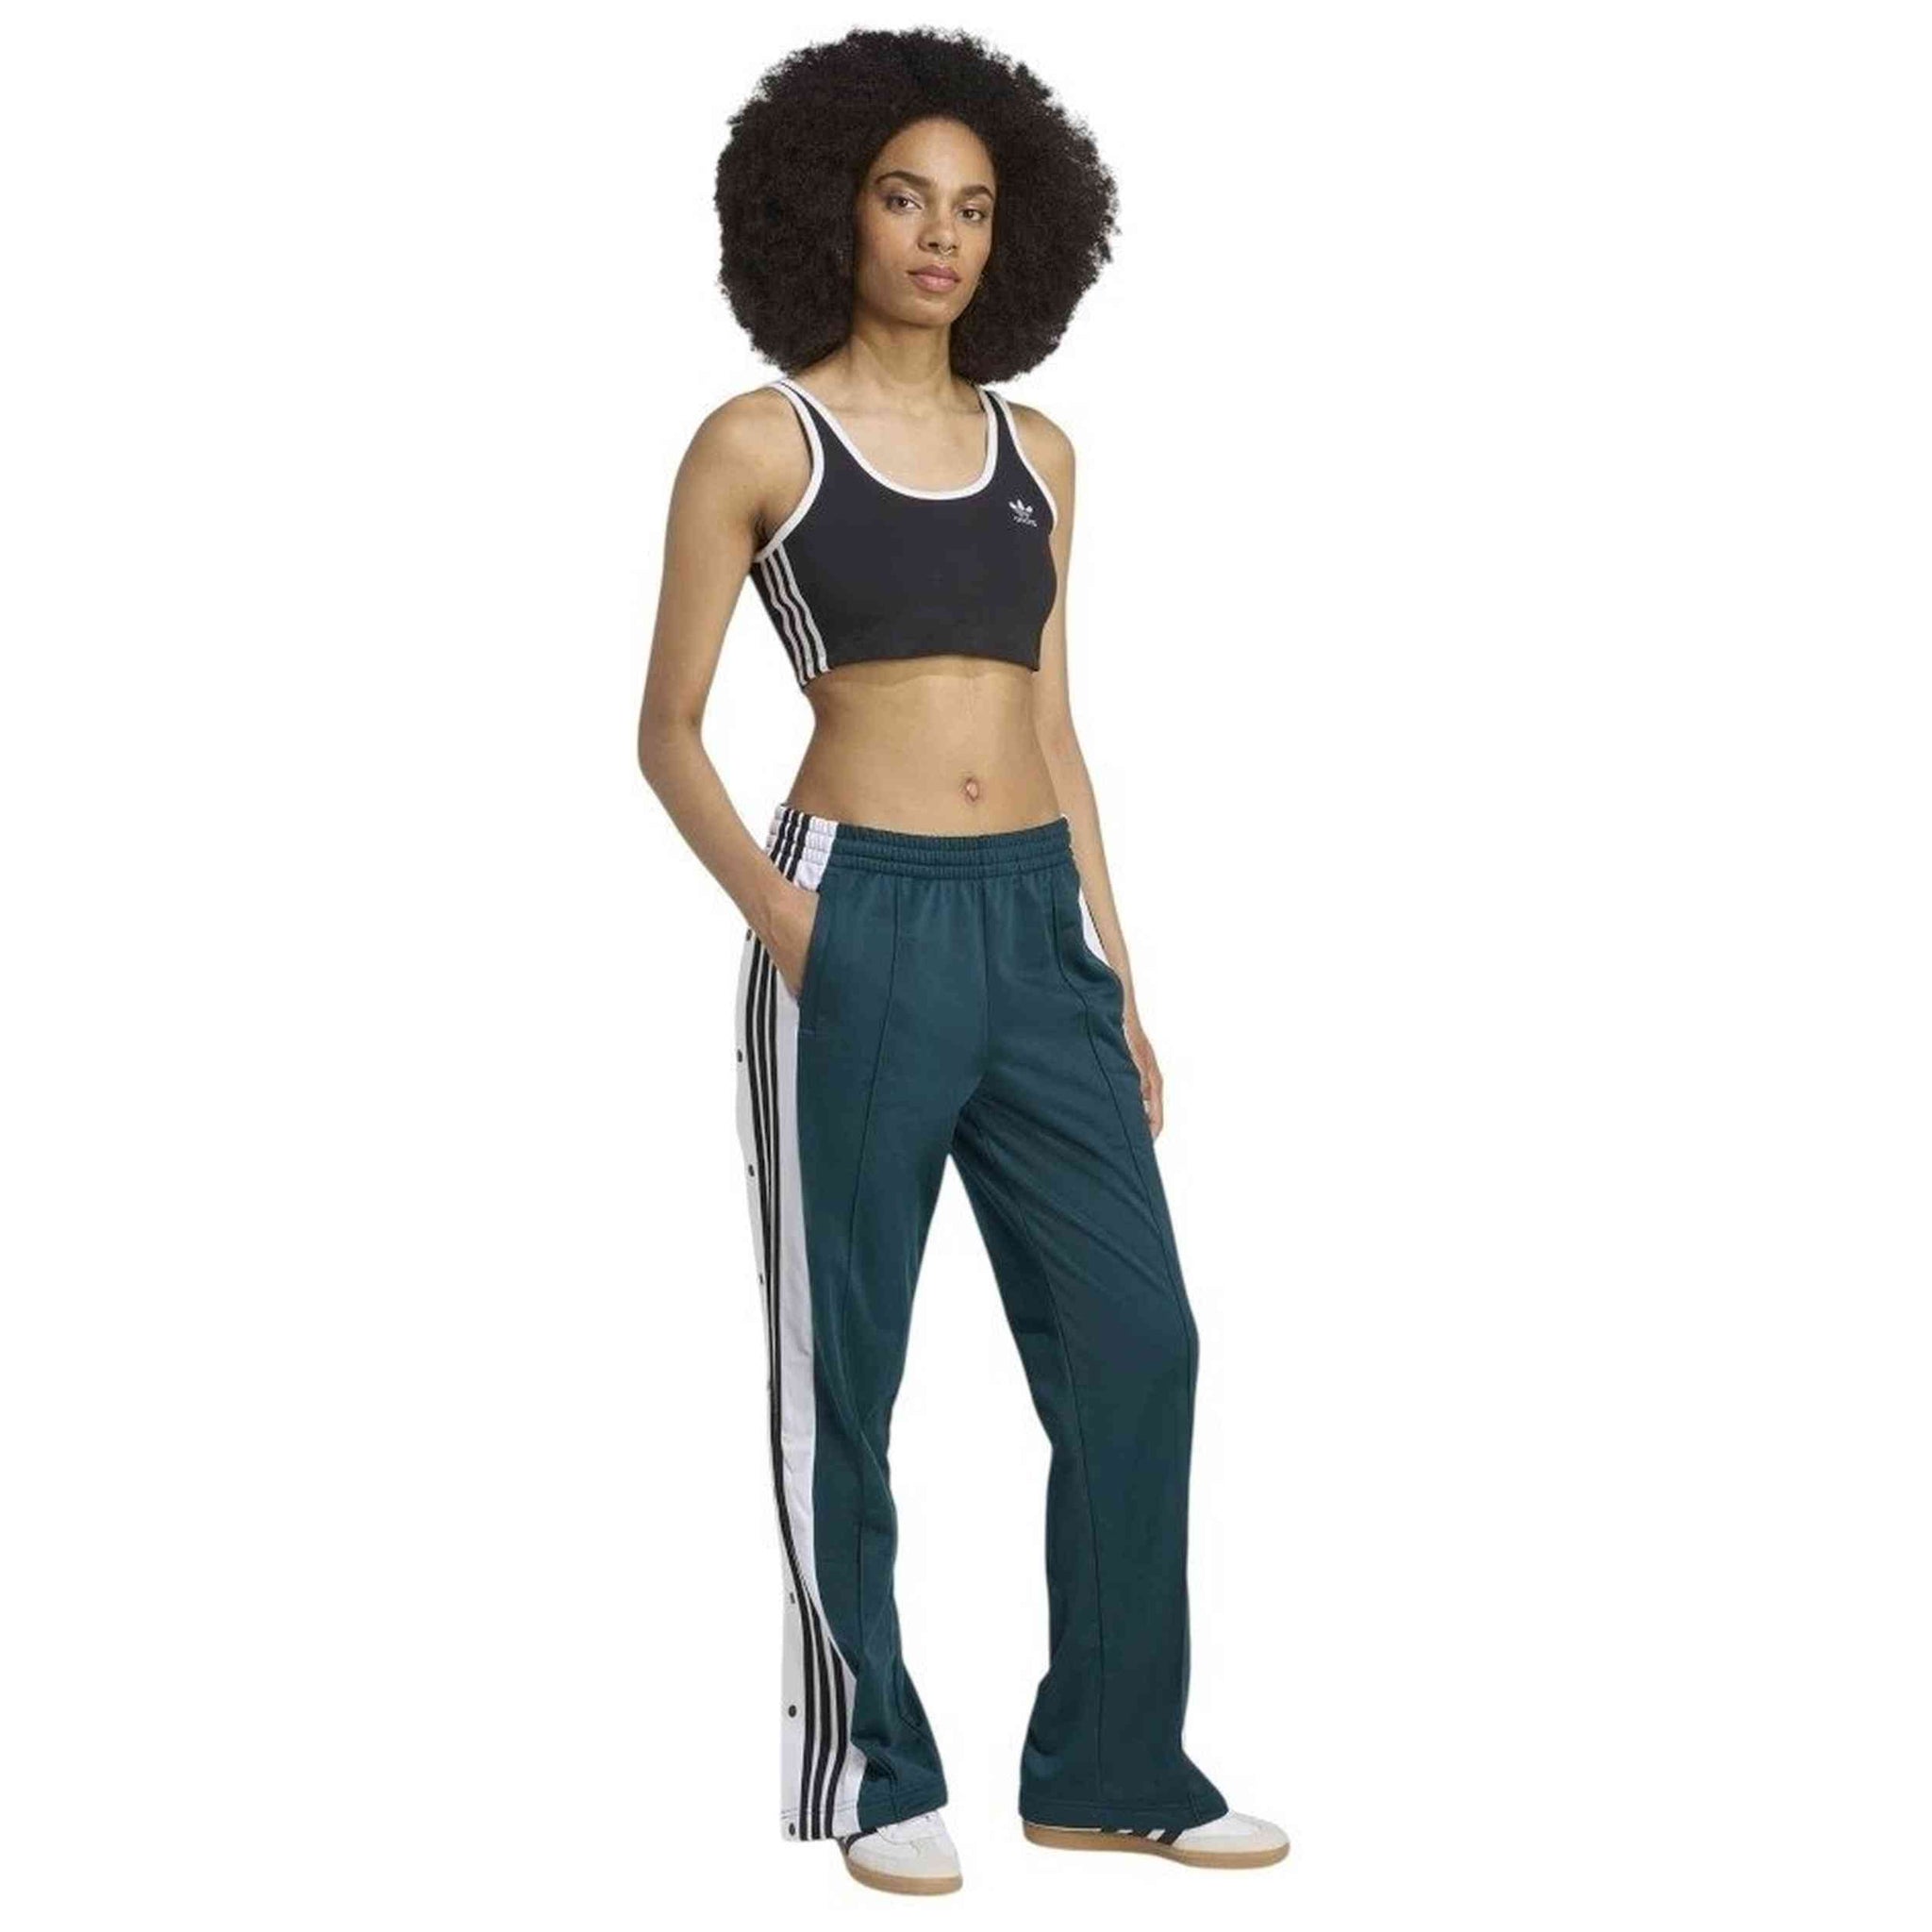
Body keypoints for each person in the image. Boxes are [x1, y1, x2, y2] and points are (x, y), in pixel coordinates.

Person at [637, 27, 1290, 1896]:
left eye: (976, 209)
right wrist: (792, 925)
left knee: (1140, 1341)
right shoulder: (760, 441)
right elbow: (666, 732)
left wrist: (1117, 973)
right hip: (857, 916)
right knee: (845, 1367)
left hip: (1031, 929)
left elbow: (1055, 726)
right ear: (830, 211)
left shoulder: (1041, 453)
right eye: (905, 198)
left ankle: (1112, 1761)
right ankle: (874, 1765)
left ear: (1020, 236)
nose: (940, 236)